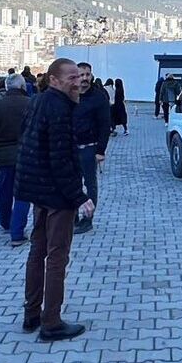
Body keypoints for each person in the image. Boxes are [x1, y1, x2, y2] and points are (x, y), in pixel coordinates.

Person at [15, 58, 94, 342]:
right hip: (55, 193)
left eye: (80, 77)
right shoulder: (59, 108)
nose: (79, 81)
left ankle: (31, 314)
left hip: (37, 189)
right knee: (57, 257)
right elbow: (60, 159)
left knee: (37, 251)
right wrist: (80, 197)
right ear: (54, 80)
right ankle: (51, 322)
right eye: (72, 78)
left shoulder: (37, 102)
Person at [0, 73, 32, 244]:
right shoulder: (30, 104)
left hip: (3, 155)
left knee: (4, 190)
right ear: (22, 86)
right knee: (23, 192)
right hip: (26, 154)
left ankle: (6, 222)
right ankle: (17, 232)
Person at [72, 62, 110, 235]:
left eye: (87, 74)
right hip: (70, 148)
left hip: (89, 148)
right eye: (81, 75)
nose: (85, 78)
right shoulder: (70, 95)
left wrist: (101, 150)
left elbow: (105, 125)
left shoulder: (99, 97)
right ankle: (72, 218)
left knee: (90, 184)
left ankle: (88, 219)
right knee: (72, 183)